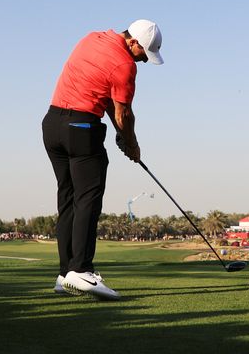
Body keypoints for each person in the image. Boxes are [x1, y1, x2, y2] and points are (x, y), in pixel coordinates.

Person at [42, 19, 164, 300]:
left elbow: (106, 97)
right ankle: (82, 270)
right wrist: (132, 144)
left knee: (69, 199)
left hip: (52, 126)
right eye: (143, 54)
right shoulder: (125, 64)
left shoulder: (92, 38)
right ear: (133, 42)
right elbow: (123, 113)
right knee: (88, 198)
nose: (143, 61)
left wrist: (122, 137)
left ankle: (65, 275)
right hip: (82, 128)